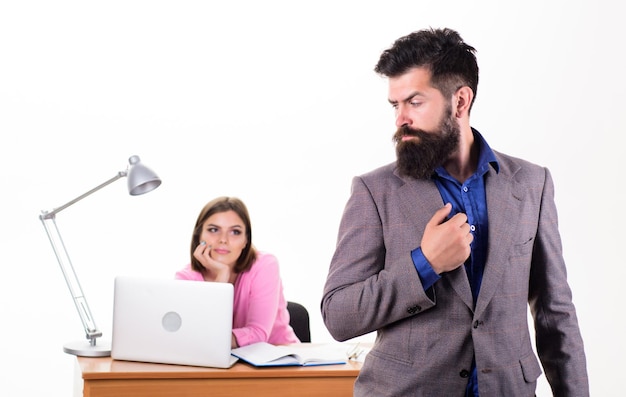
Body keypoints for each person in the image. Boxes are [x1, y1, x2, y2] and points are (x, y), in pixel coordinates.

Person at [321, 28, 588, 396]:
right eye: (394, 105)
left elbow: (555, 314)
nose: (400, 119)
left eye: (414, 102)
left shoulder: (531, 183)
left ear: (460, 101)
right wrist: (424, 263)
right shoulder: (374, 191)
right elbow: (339, 314)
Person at [176, 196, 299, 348]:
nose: (223, 240)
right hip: (216, 365)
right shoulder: (185, 279)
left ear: (246, 240)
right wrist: (221, 277)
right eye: (214, 230)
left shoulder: (265, 265)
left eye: (235, 232)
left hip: (279, 360)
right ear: (199, 236)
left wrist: (209, 339)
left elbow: (258, 334)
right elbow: (186, 337)